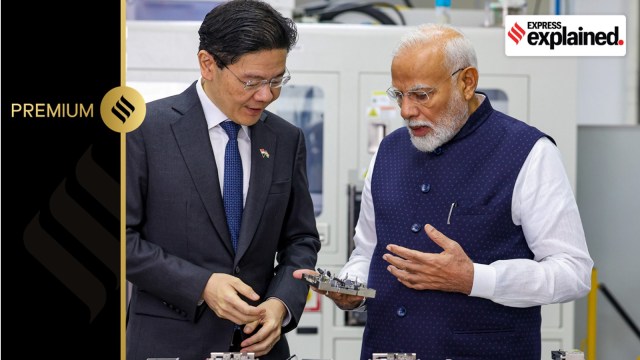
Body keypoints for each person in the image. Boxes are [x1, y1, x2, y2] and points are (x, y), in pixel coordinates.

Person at [295, 23, 593, 360]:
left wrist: (476, 279)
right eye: (399, 95)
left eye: (421, 95)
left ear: (467, 82)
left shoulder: (528, 153)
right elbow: (368, 252)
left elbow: (573, 272)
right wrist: (350, 287)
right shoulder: (387, 152)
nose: (406, 111)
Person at [126, 1, 321, 359]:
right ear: (208, 64)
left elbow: (301, 240)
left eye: (276, 80)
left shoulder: (285, 139)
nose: (266, 95)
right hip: (168, 344)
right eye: (251, 81)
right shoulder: (143, 130)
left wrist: (281, 303)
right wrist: (201, 285)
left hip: (259, 348)